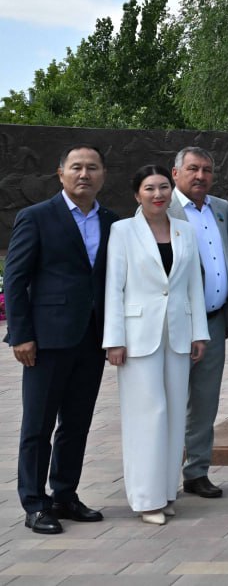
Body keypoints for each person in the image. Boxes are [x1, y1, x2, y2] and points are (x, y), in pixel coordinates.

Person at [7, 145, 119, 534]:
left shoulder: (113, 221)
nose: (84, 174)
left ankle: (64, 495)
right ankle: (35, 504)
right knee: (37, 426)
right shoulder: (36, 217)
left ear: (103, 174)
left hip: (92, 338)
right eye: (76, 167)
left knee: (76, 423)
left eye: (92, 168)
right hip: (47, 341)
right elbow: (15, 279)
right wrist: (21, 335)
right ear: (61, 174)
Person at [103, 165, 209, 524]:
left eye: (163, 187)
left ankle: (165, 493)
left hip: (177, 333)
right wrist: (114, 339)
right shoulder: (123, 230)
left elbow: (193, 284)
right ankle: (146, 499)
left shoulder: (184, 230)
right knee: (147, 416)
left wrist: (199, 332)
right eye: (149, 188)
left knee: (175, 415)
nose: (158, 194)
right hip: (137, 337)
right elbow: (114, 287)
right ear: (137, 194)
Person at [169, 147, 228, 500]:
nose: (200, 176)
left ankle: (196, 471)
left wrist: (227, 316)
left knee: (204, 401)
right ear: (175, 173)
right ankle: (163, 474)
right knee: (169, 400)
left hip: (212, 323)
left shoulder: (222, 209)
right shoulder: (161, 207)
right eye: (193, 169)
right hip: (174, 324)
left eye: (207, 170)